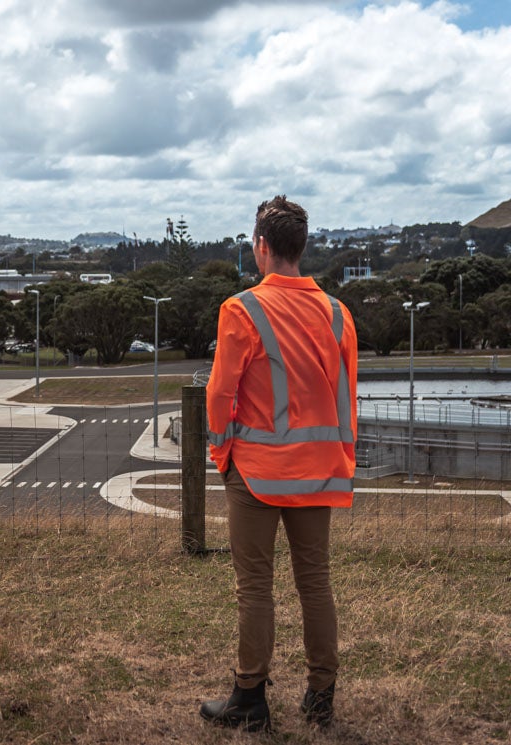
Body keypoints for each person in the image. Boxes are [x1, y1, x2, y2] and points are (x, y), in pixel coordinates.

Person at [199, 196, 358, 732]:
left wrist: (222, 456)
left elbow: (220, 395)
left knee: (256, 586)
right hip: (321, 468)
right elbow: (346, 399)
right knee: (315, 581)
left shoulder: (241, 310)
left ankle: (250, 698)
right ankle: (321, 696)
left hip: (258, 472)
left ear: (261, 247)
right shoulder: (339, 314)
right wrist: (342, 459)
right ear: (302, 246)